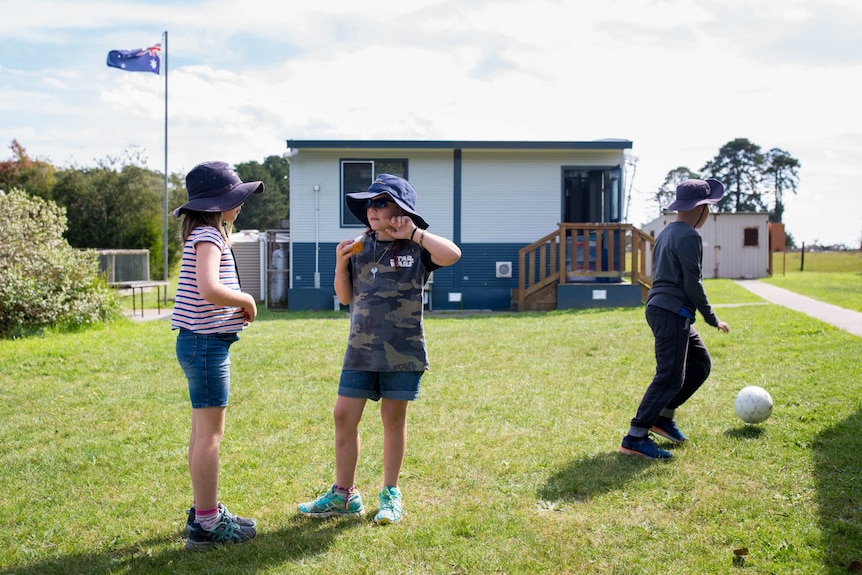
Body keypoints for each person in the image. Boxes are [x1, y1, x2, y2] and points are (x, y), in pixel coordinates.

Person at [298, 174, 461, 525]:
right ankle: (344, 495)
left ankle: (390, 493)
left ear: (401, 209)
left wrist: (414, 233)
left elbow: (453, 255)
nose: (372, 210)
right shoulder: (359, 247)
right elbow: (344, 297)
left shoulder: (418, 247)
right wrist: (340, 264)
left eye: (381, 202)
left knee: (393, 419)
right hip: (360, 349)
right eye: (369, 204)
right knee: (343, 415)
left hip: (402, 351)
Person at [171, 161, 264, 549]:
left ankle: (202, 510)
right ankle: (207, 524)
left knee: (200, 432)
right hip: (205, 346)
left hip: (199, 342)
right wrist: (245, 299)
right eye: (233, 198)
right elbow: (209, 288)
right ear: (215, 204)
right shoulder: (208, 236)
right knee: (210, 435)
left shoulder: (203, 233)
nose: (239, 204)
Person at [619, 178, 731, 460]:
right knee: (669, 376)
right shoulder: (690, 236)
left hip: (660, 307)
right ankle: (635, 436)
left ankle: (663, 418)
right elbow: (693, 283)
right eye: (709, 207)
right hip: (672, 312)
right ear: (701, 208)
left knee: (700, 364)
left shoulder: (668, 232)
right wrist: (711, 317)